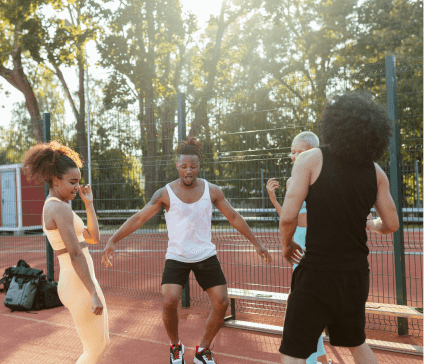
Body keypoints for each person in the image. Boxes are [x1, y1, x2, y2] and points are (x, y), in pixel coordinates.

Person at [102, 137, 272, 364]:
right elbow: (140, 217)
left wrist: (256, 243)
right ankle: (175, 346)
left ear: (199, 165)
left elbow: (233, 216)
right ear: (177, 166)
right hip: (177, 256)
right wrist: (113, 239)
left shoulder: (212, 191)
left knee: (221, 303)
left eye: (193, 166)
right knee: (169, 300)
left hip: (205, 255)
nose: (188, 171)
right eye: (184, 167)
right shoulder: (165, 193)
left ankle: (203, 350)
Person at [278, 91, 399, 364]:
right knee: (357, 343)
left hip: (317, 272)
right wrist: (372, 224)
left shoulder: (310, 160)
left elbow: (287, 217)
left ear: (334, 123)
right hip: (355, 275)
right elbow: (391, 224)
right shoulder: (375, 172)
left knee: (293, 353)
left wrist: (287, 246)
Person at [22, 141, 109, 364]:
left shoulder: (62, 205)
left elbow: (93, 237)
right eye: (72, 182)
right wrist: (92, 292)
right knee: (94, 349)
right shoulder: (58, 208)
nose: (77, 187)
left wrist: (89, 205)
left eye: (78, 182)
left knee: (100, 345)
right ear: (55, 180)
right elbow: (75, 254)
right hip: (77, 282)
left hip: (81, 280)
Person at [266, 131, 329, 364]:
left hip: (314, 251)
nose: (294, 156)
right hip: (299, 250)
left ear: (313, 152)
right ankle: (321, 360)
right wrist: (274, 200)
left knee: (304, 311)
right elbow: (289, 217)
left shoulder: (318, 179)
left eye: (299, 152)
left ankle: (312, 360)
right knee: (307, 308)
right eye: (292, 152)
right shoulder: (293, 180)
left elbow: (303, 218)